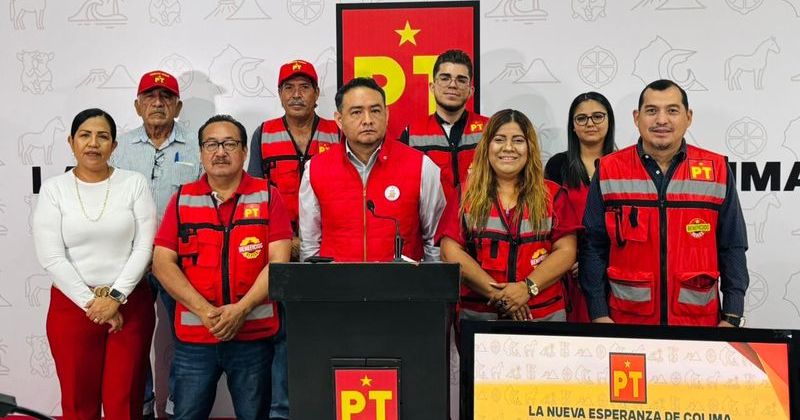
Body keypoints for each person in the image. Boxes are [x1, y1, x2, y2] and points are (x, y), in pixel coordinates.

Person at [152, 115, 292, 420]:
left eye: (230, 144)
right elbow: (162, 263)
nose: (220, 151)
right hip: (195, 339)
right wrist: (205, 312)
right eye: (212, 144)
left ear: (244, 152)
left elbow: (278, 262)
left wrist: (240, 310)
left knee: (254, 415)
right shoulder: (182, 199)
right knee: (186, 415)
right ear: (201, 152)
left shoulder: (268, 195)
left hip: (253, 336)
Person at [580, 79, 749, 327]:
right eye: (651, 111)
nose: (661, 120)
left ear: (688, 117)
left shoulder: (717, 170)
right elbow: (592, 245)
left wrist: (732, 315)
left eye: (672, 110)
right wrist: (598, 311)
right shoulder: (609, 169)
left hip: (698, 323)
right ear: (637, 118)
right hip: (624, 322)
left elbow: (732, 246)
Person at [33, 108, 157, 419]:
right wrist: (93, 303)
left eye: (103, 136)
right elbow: (51, 256)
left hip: (129, 304)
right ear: (71, 142)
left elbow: (143, 246)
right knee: (78, 403)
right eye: (85, 135)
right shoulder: (53, 189)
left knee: (124, 402)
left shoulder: (134, 183)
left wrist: (114, 299)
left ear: (114, 146)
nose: (93, 143)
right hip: (72, 306)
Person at [246, 59, 338, 420]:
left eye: (304, 87)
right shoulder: (263, 133)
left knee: (322, 331)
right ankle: (281, 411)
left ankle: (322, 406)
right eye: (289, 87)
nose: (296, 94)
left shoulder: (337, 130)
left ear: (317, 94)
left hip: (326, 252)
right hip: (278, 248)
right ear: (280, 94)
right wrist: (284, 241)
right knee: (279, 333)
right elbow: (254, 193)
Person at [112, 69, 201, 419]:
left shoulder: (198, 145)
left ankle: (181, 407)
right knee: (131, 338)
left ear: (178, 106)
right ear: (137, 105)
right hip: (128, 259)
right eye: (150, 96)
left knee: (185, 339)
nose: (158, 103)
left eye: (166, 97)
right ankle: (144, 407)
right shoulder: (118, 149)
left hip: (181, 259)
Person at [439, 109, 579, 322]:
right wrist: (500, 296)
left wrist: (527, 289)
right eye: (500, 139)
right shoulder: (464, 195)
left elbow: (566, 251)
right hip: (480, 319)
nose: (508, 148)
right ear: (487, 146)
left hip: (542, 317)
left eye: (518, 140)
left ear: (530, 147)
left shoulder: (553, 195)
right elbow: (449, 251)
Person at [299, 77, 446, 262]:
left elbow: (435, 242)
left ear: (387, 114)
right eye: (356, 112)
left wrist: (431, 288)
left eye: (375, 111)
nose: (367, 120)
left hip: (403, 287)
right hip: (337, 287)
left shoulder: (422, 166)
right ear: (339, 119)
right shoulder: (315, 169)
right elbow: (310, 246)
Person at [545, 92, 616, 322]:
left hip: (614, 277)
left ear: (609, 121)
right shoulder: (558, 166)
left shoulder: (624, 167)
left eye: (597, 116)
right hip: (567, 277)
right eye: (582, 118)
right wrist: (572, 258)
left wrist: (597, 263)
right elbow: (550, 223)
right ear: (572, 126)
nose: (590, 124)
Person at [402, 49, 489, 204]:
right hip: (432, 225)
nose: (453, 85)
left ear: (471, 91)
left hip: (480, 223)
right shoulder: (412, 134)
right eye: (445, 78)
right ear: (432, 86)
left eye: (461, 80)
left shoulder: (490, 129)